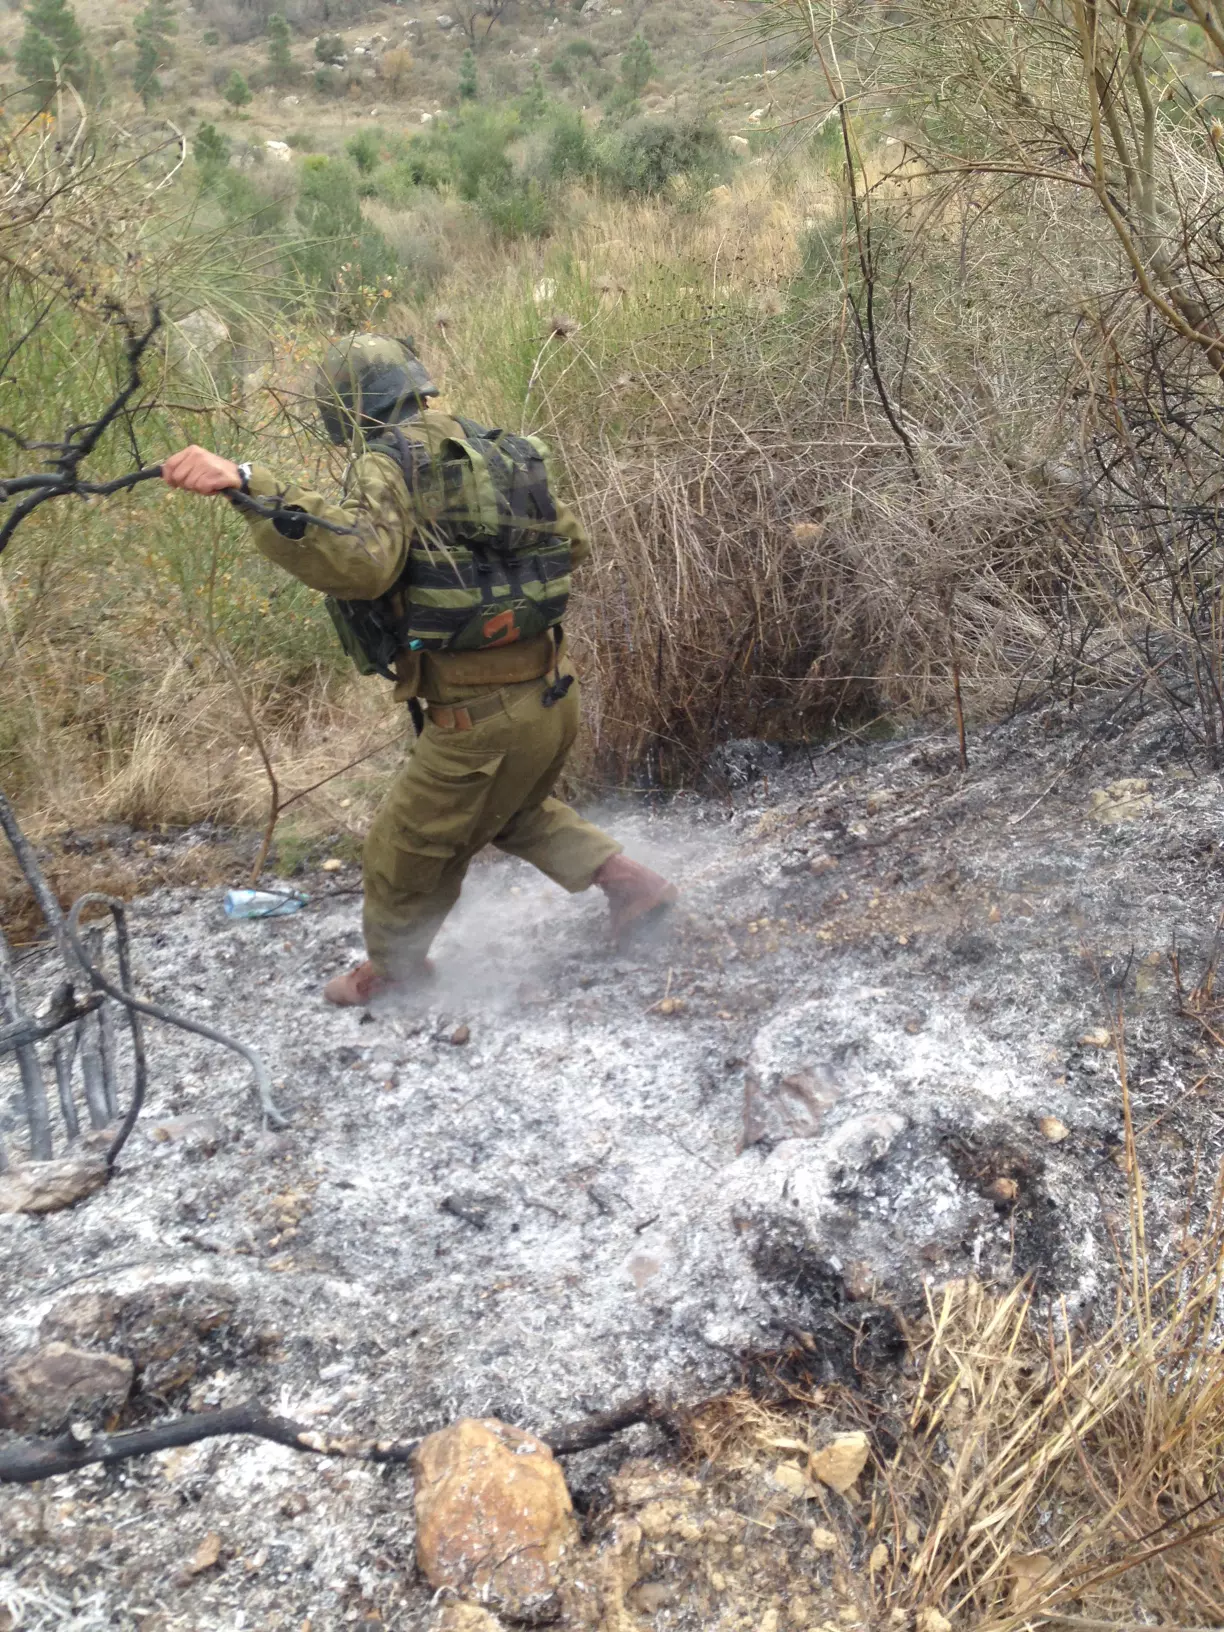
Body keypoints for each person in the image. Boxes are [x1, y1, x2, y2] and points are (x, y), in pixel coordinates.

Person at [161, 333, 678, 1006]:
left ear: (348, 412)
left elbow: (359, 563)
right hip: (552, 693)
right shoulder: (492, 447)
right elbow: (572, 543)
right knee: (514, 812)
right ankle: (634, 885)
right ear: (416, 386)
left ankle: (395, 972)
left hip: (480, 717)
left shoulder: (388, 460)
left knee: (400, 849)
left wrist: (252, 485)